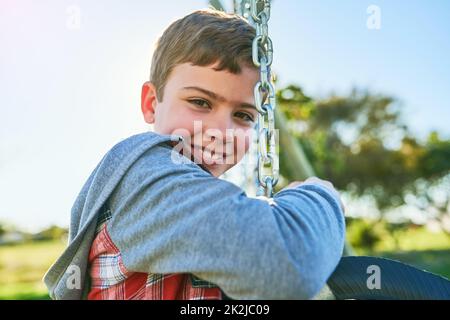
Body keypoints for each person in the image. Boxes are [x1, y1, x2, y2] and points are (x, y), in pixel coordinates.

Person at [44, 9, 345, 300]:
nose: (221, 130)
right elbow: (287, 269)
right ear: (151, 103)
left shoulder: (196, 198)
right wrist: (319, 194)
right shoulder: (145, 177)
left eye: (243, 115)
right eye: (200, 102)